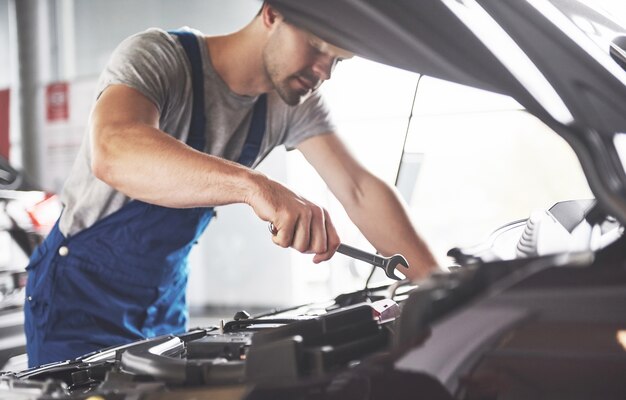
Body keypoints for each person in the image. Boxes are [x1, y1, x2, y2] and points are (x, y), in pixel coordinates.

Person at [24, 3, 437, 367]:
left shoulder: (292, 104)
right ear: (272, 13)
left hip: (162, 299)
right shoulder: (159, 58)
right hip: (76, 299)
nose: (325, 72)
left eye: (338, 61)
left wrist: (440, 289)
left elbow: (360, 189)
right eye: (317, 47)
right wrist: (255, 186)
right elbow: (113, 150)